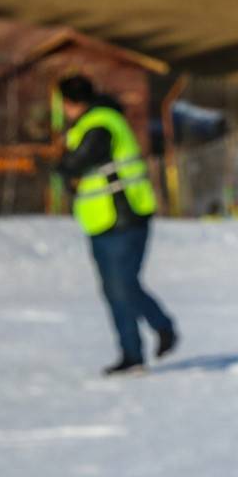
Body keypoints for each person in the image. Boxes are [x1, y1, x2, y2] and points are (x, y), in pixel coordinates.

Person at [53, 74, 178, 376]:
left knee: (121, 286)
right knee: (117, 287)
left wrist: (61, 164)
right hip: (102, 218)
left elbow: (76, 162)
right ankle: (138, 348)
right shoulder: (93, 123)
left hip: (124, 215)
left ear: (69, 103)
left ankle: (148, 340)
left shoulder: (100, 124)